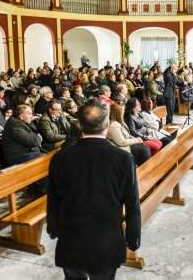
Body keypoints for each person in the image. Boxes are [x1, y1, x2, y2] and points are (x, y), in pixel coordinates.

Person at [47, 99, 141, 280]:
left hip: (71, 238)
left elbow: (53, 199)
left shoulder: (60, 158)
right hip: (106, 240)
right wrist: (133, 236)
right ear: (107, 124)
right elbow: (132, 202)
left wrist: (53, 228)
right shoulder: (123, 159)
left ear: (80, 125)